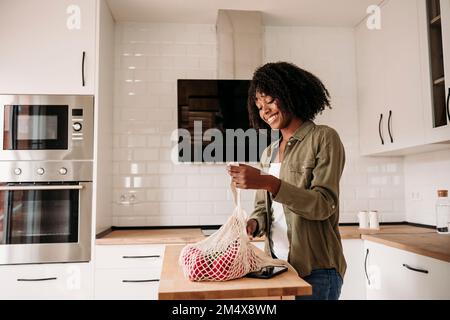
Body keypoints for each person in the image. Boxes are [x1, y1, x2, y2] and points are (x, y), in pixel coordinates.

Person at [227, 62, 346, 300]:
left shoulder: (323, 137)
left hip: (317, 270)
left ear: (290, 94)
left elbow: (323, 204)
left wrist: (269, 182)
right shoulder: (268, 152)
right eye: (259, 106)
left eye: (270, 100)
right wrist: (253, 224)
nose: (264, 111)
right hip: (277, 265)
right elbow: (264, 208)